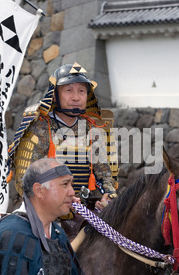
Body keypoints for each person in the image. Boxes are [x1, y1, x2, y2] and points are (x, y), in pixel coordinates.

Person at [0, 158, 101, 275]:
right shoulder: (13, 235)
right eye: (65, 184)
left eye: (71, 184)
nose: (72, 192)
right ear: (39, 190)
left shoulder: (57, 233)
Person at [7, 62, 117, 212]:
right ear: (54, 95)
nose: (76, 97)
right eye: (69, 90)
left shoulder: (92, 130)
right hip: (44, 209)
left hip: (85, 208)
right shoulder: (39, 127)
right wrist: (60, 199)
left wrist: (107, 196)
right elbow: (26, 178)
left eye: (81, 91)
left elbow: (104, 174)